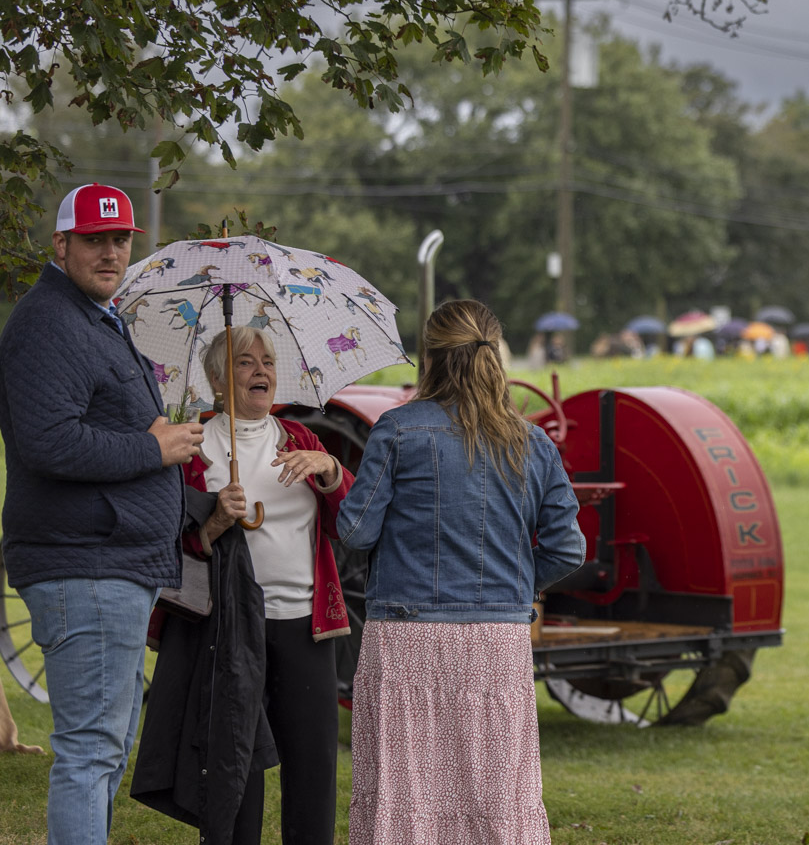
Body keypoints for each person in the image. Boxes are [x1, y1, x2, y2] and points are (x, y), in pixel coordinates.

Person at [0, 183, 204, 845]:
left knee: (103, 753)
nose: (111, 252)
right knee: (90, 753)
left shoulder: (95, 318)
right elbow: (48, 441)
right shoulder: (49, 323)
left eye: (120, 239)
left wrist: (166, 447)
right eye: (95, 239)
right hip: (85, 566)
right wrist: (153, 446)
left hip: (108, 564)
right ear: (61, 244)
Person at [338, 299, 584, 845]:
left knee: (405, 796)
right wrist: (518, 585)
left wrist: (337, 479)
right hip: (497, 642)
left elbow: (355, 533)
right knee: (495, 799)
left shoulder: (397, 430)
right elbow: (569, 548)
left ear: (429, 359)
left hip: (406, 637)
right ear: (494, 354)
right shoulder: (533, 442)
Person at [133, 325, 354, 845]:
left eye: (268, 362)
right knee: (234, 768)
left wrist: (329, 470)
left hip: (303, 625)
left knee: (312, 765)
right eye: (245, 362)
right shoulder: (192, 447)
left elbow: (355, 521)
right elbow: (162, 542)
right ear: (215, 378)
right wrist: (211, 526)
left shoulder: (302, 439)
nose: (261, 371)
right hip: (227, 633)